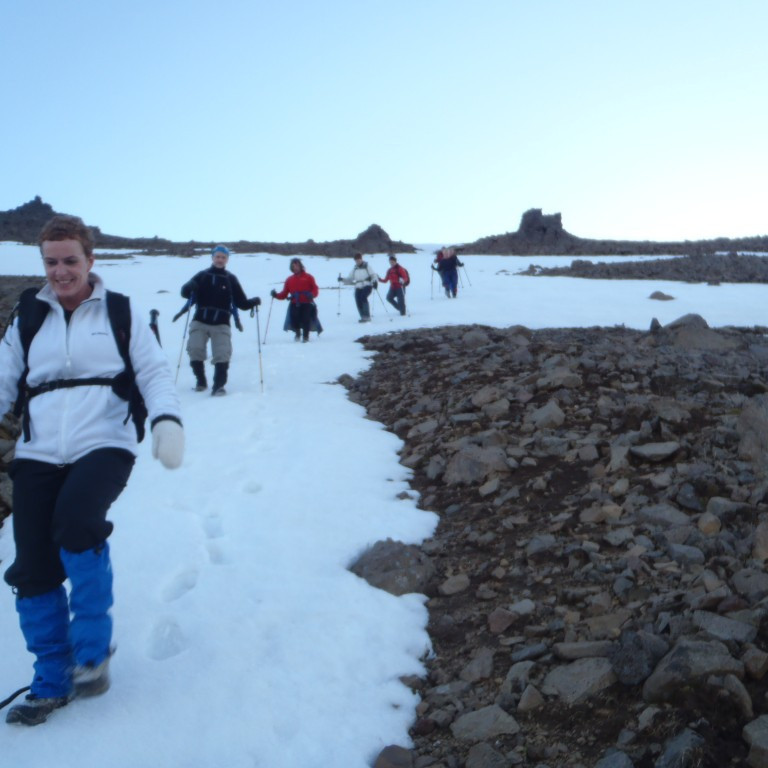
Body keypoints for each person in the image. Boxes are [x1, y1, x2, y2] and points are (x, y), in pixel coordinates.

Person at [0, 214, 184, 726]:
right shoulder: (28, 316)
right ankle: (51, 679)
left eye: (70, 261)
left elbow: (152, 372)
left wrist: (167, 421)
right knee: (32, 567)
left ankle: (90, 654)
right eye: (51, 262)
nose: (60, 272)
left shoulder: (119, 311)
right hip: (38, 452)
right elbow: (3, 376)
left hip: (105, 441)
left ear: (90, 259)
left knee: (78, 525)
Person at [180, 245, 260, 395]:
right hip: (200, 320)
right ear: (212, 258)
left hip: (222, 322)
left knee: (222, 353)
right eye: (217, 256)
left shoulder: (231, 279)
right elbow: (185, 293)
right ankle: (201, 380)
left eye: (223, 257)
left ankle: (218, 386)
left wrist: (253, 302)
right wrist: (187, 287)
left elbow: (241, 302)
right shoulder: (202, 275)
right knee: (195, 350)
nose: (220, 260)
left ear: (227, 260)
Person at [270, 258, 320, 342]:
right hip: (294, 303)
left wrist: (312, 294)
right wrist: (275, 295)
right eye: (293, 266)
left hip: (307, 302)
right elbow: (284, 294)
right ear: (291, 268)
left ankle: (305, 336)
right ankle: (297, 333)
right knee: (294, 318)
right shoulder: (289, 280)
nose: (295, 268)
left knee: (306, 319)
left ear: (301, 266)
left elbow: (315, 289)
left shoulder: (309, 277)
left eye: (297, 265)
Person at [339, 252, 376, 322]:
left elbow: (373, 275)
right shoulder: (355, 268)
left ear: (361, 259)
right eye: (356, 260)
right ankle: (363, 316)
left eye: (359, 260)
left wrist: (375, 281)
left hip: (367, 284)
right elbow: (350, 279)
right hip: (358, 286)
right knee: (357, 299)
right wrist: (342, 279)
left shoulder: (367, 266)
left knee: (363, 297)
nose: (358, 262)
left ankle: (367, 316)